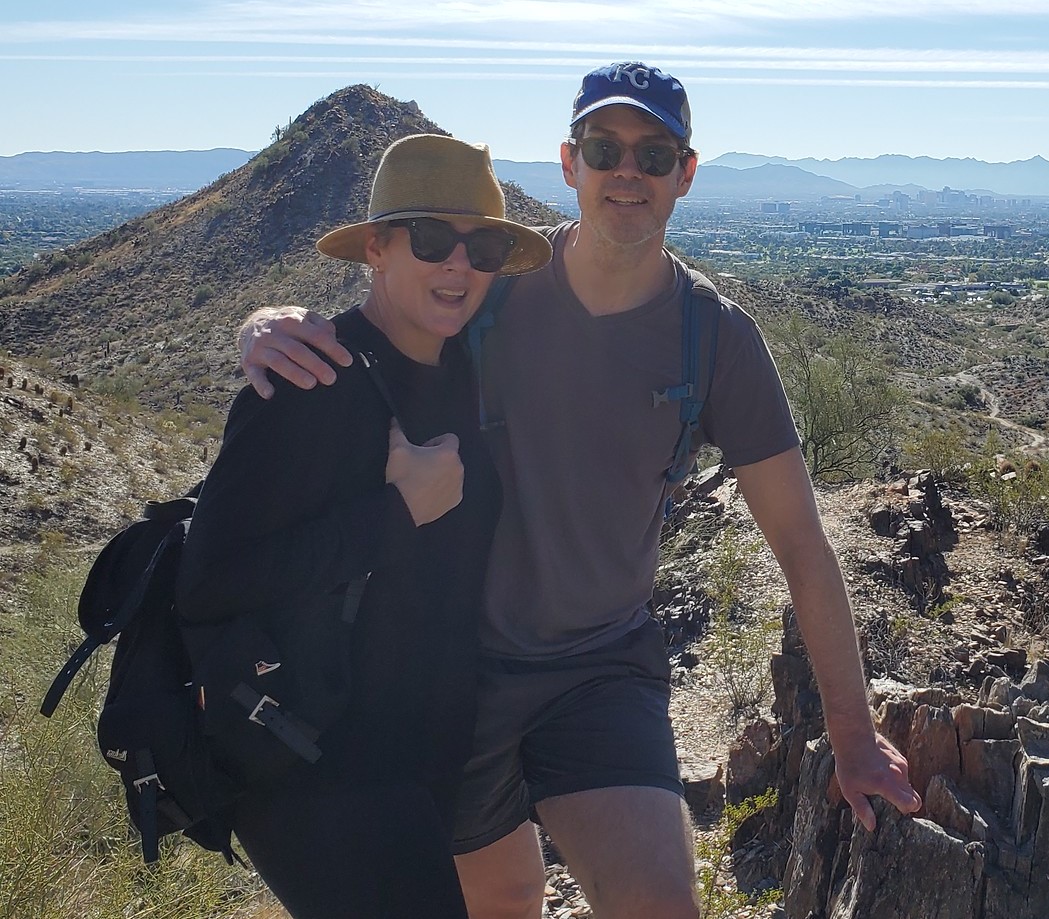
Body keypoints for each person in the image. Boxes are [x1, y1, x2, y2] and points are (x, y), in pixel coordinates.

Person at [237, 62, 922, 919]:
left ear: (685, 172)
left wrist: (853, 739)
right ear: (570, 163)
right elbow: (385, 307)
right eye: (605, 149)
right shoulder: (491, 285)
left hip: (600, 667)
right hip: (450, 668)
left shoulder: (713, 340)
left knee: (659, 905)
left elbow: (800, 544)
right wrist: (268, 323)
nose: (626, 171)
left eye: (652, 152)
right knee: (506, 901)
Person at [180, 133, 550, 918]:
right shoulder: (311, 377)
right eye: (429, 239)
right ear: (375, 249)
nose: (458, 264)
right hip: (316, 762)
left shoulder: (465, 366)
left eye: (480, 245)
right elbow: (208, 581)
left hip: (424, 748)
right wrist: (394, 514)